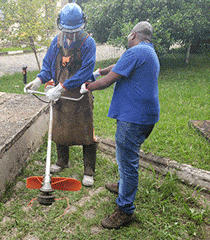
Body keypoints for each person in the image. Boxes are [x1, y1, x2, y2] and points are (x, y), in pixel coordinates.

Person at [80, 21, 160, 229]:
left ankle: (125, 210)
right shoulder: (147, 51)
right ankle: (123, 186)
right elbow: (117, 67)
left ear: (133, 35)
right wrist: (98, 71)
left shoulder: (134, 52)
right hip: (146, 116)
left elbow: (107, 82)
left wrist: (87, 86)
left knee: (127, 161)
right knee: (127, 157)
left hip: (133, 118)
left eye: (128, 35)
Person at [24, 3, 97, 187]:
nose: (70, 35)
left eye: (74, 31)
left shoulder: (88, 42)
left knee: (86, 131)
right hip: (60, 95)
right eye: (67, 31)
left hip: (79, 94)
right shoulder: (56, 41)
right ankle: (62, 161)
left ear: (82, 26)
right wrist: (39, 79)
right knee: (59, 127)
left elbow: (86, 71)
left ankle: (88, 171)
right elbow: (48, 63)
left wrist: (64, 86)